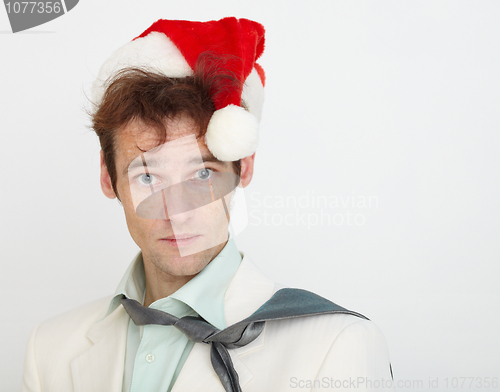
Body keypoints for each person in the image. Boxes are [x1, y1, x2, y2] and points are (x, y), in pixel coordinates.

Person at [21, 17, 394, 392]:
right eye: (148, 177)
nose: (176, 211)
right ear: (108, 177)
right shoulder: (49, 351)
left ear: (243, 168)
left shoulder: (337, 345)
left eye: (202, 175)